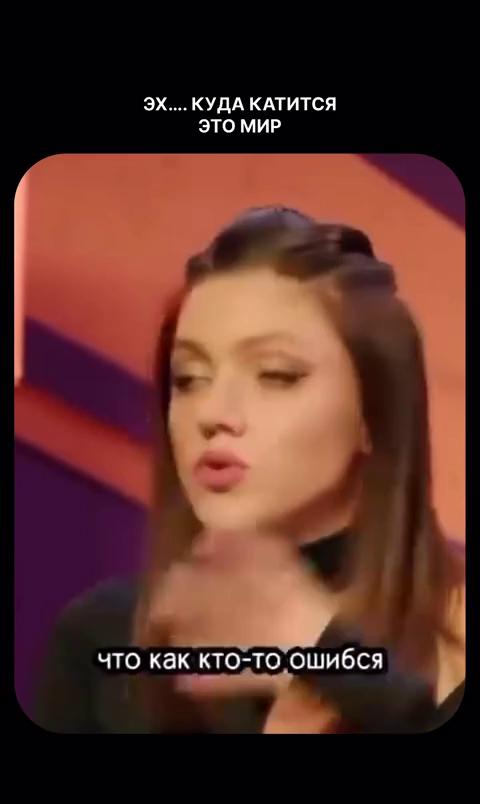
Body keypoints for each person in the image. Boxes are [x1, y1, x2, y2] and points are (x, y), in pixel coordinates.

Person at [34, 206, 465, 734]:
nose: (213, 413)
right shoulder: (99, 641)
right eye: (189, 378)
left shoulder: (455, 640)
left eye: (275, 375)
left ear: (375, 414)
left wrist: (328, 658)